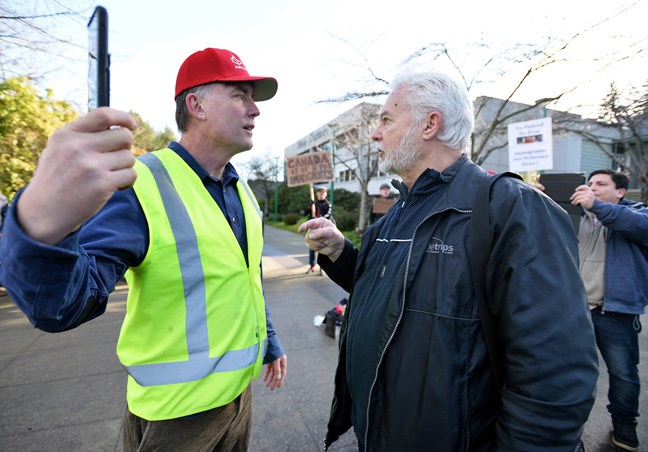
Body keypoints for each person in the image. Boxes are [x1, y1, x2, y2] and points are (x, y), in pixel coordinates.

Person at [0, 47, 287, 451]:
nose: (255, 109)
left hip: (239, 398)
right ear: (196, 105)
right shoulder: (141, 183)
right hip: (176, 416)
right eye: (241, 95)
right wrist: (41, 227)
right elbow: (64, 304)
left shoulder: (240, 190)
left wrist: (269, 342)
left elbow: (246, 278)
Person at [298, 70, 599, 450]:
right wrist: (340, 253)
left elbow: (555, 376)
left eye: (387, 120)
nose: (376, 133)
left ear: (430, 124)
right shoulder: (396, 213)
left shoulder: (513, 210)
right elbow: (385, 291)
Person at [570, 169, 648, 451]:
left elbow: (638, 226)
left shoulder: (636, 213)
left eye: (601, 184)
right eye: (589, 183)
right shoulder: (576, 214)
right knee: (568, 370)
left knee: (623, 373)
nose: (592, 188)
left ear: (621, 192)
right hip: (574, 312)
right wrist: (540, 198)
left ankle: (625, 423)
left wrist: (597, 206)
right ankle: (568, 426)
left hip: (613, 312)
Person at [305, 186, 331, 274]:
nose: (321, 194)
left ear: (326, 194)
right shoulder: (313, 204)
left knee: (322, 250)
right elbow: (306, 213)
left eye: (323, 192)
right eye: (319, 192)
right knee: (312, 248)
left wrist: (318, 219)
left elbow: (329, 215)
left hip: (323, 230)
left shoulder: (328, 204)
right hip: (313, 230)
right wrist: (309, 206)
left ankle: (322, 268)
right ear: (316, 194)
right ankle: (312, 266)